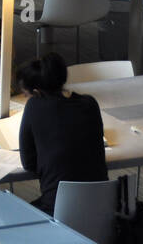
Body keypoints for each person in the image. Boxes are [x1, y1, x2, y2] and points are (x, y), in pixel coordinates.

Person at [17, 52, 108, 215]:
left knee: (9, 215)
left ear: (36, 92)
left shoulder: (33, 106)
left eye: (26, 94)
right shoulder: (89, 103)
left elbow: (29, 164)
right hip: (101, 208)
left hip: (58, 211)